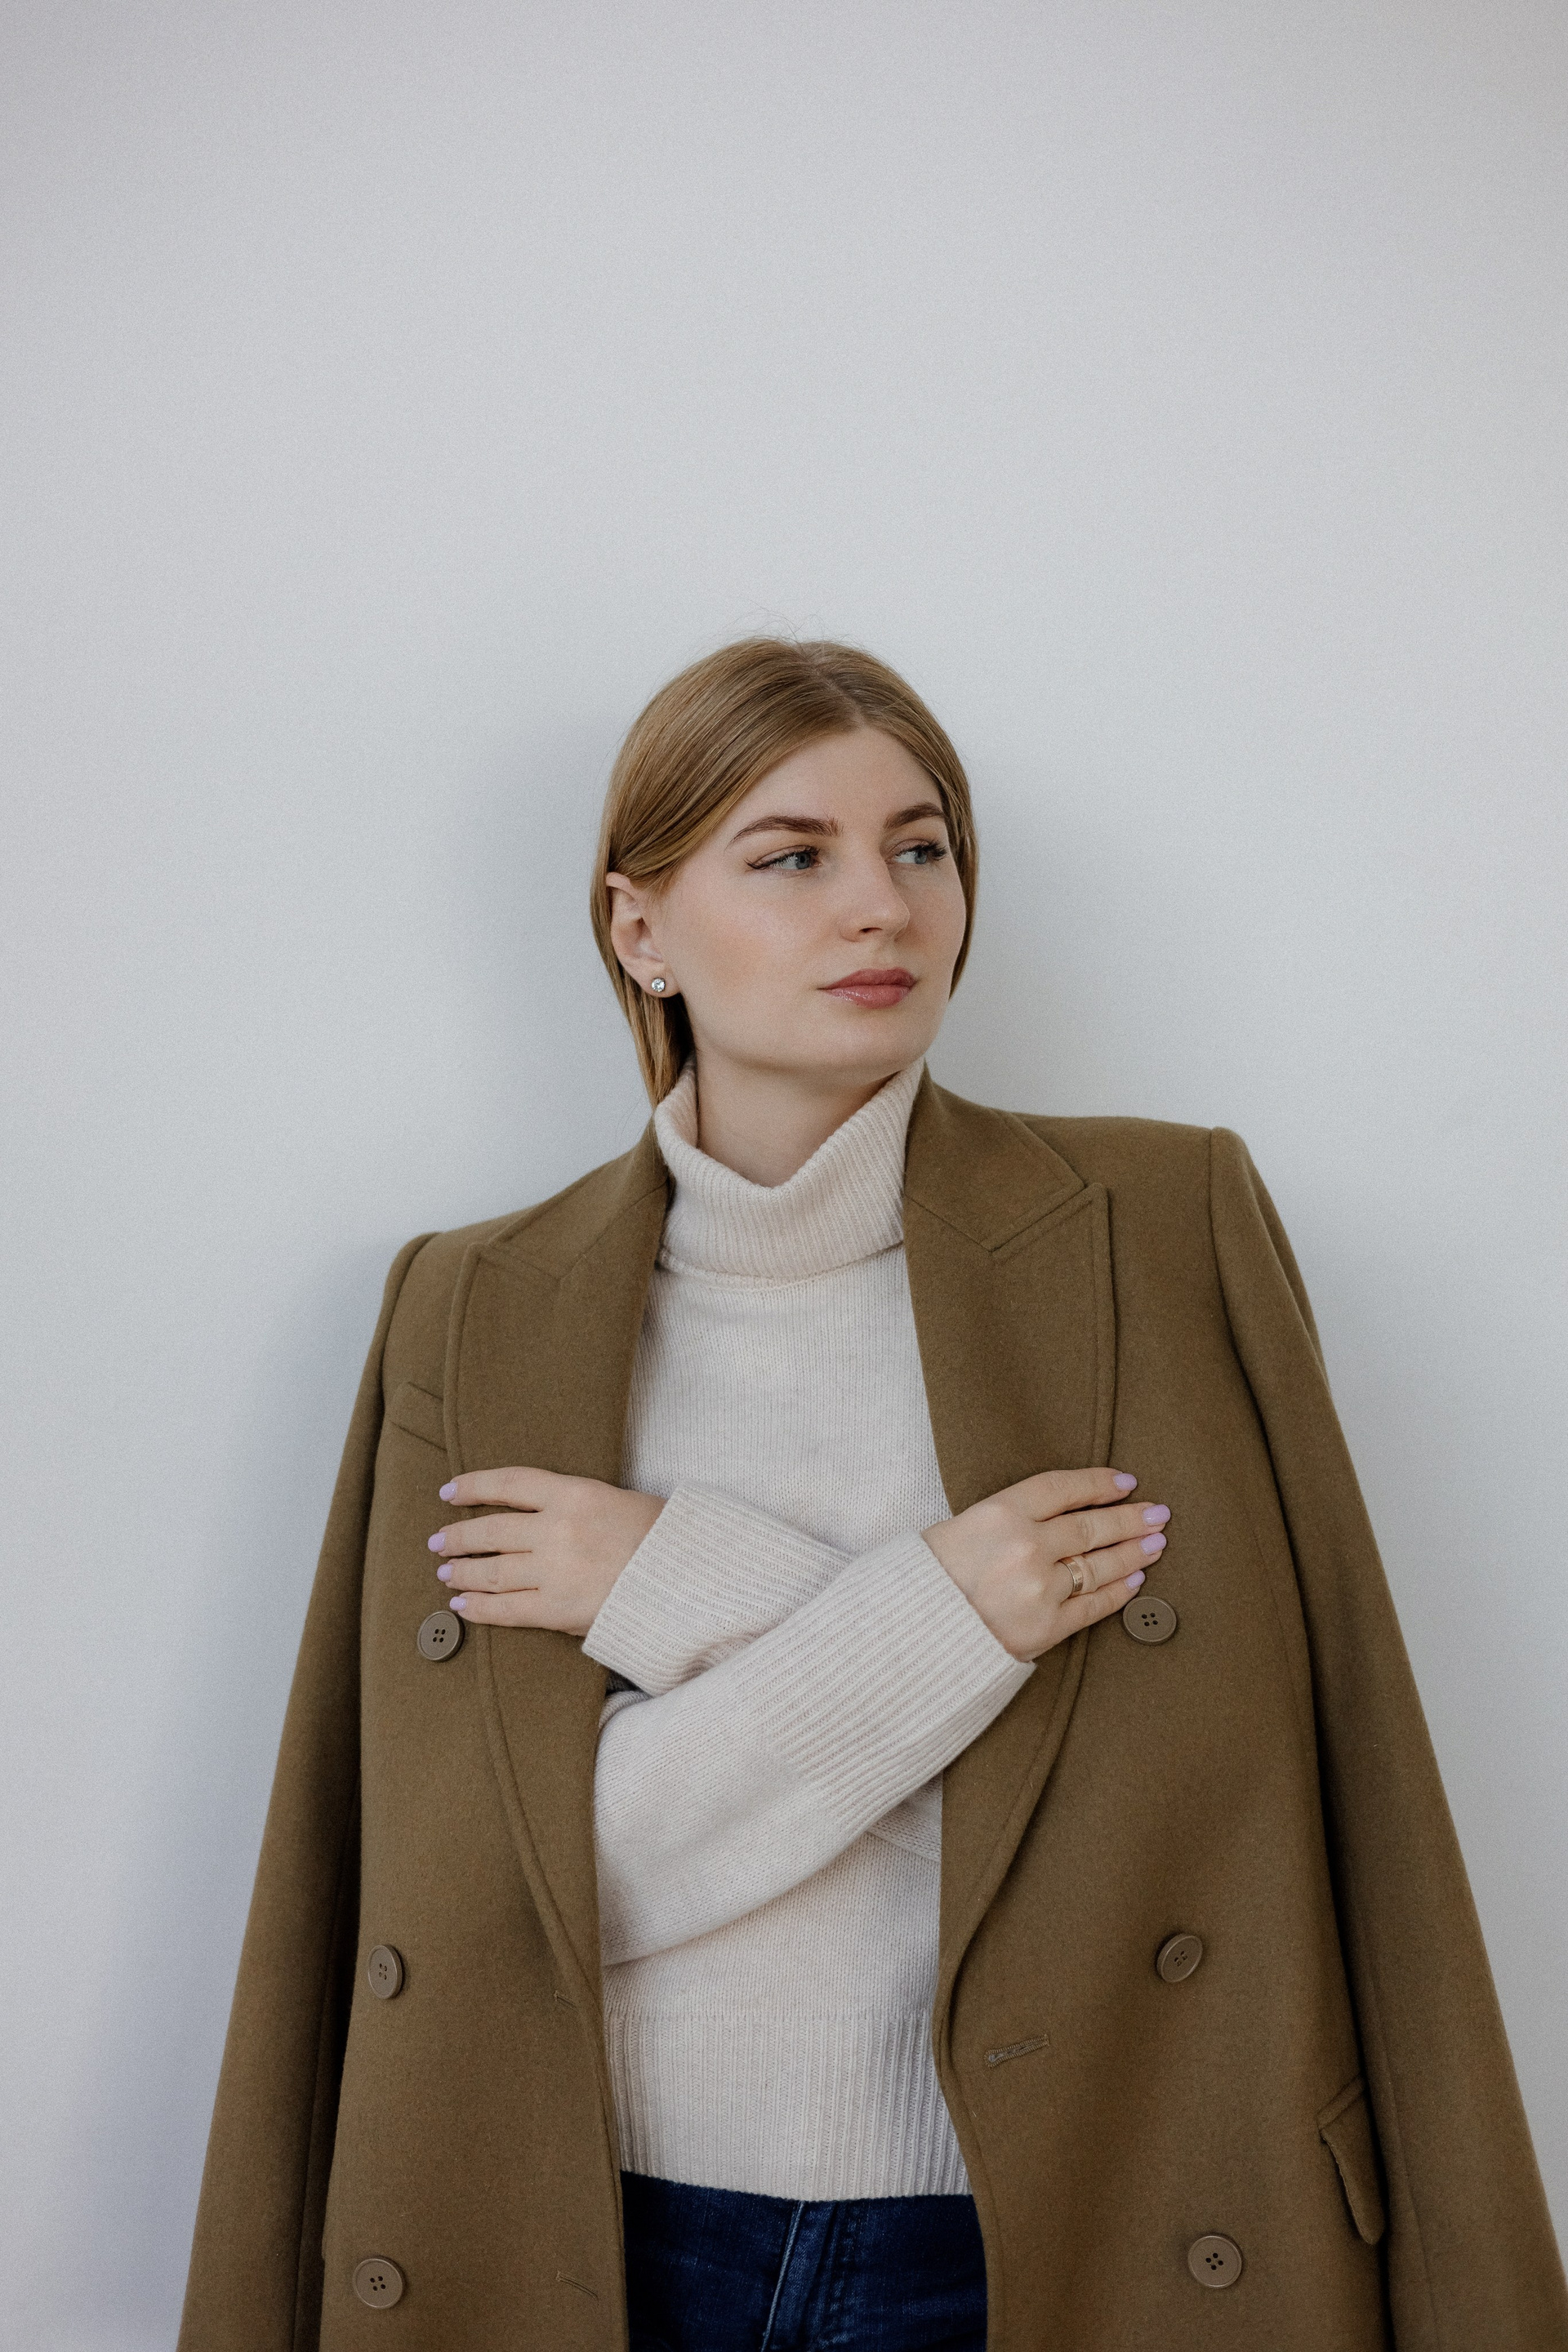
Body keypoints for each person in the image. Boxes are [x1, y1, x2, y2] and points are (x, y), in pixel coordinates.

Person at [179, 639, 1566, 2352]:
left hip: (1071, 2228)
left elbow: (1292, 1808)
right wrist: (932, 1620)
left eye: (923, 847)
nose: (883, 907)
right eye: (793, 856)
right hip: (591, 2244)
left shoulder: (1165, 1226)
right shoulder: (471, 1306)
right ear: (638, 929)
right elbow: (492, 1896)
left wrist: (674, 1590)